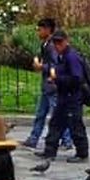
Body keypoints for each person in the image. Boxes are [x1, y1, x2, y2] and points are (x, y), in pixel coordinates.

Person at [22, 18, 72, 151]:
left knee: (57, 114)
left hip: (52, 85)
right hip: (47, 86)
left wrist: (41, 67)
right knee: (41, 113)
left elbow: (56, 65)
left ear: (47, 29)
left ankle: (67, 139)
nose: (38, 32)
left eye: (40, 29)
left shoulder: (51, 45)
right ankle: (34, 138)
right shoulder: (46, 44)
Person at [40, 30, 89, 163]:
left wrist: (57, 79)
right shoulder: (63, 57)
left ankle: (82, 153)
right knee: (55, 123)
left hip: (72, 97)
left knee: (75, 125)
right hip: (64, 96)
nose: (57, 45)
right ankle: (49, 152)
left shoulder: (71, 57)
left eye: (59, 42)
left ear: (66, 41)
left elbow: (77, 78)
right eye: (55, 42)